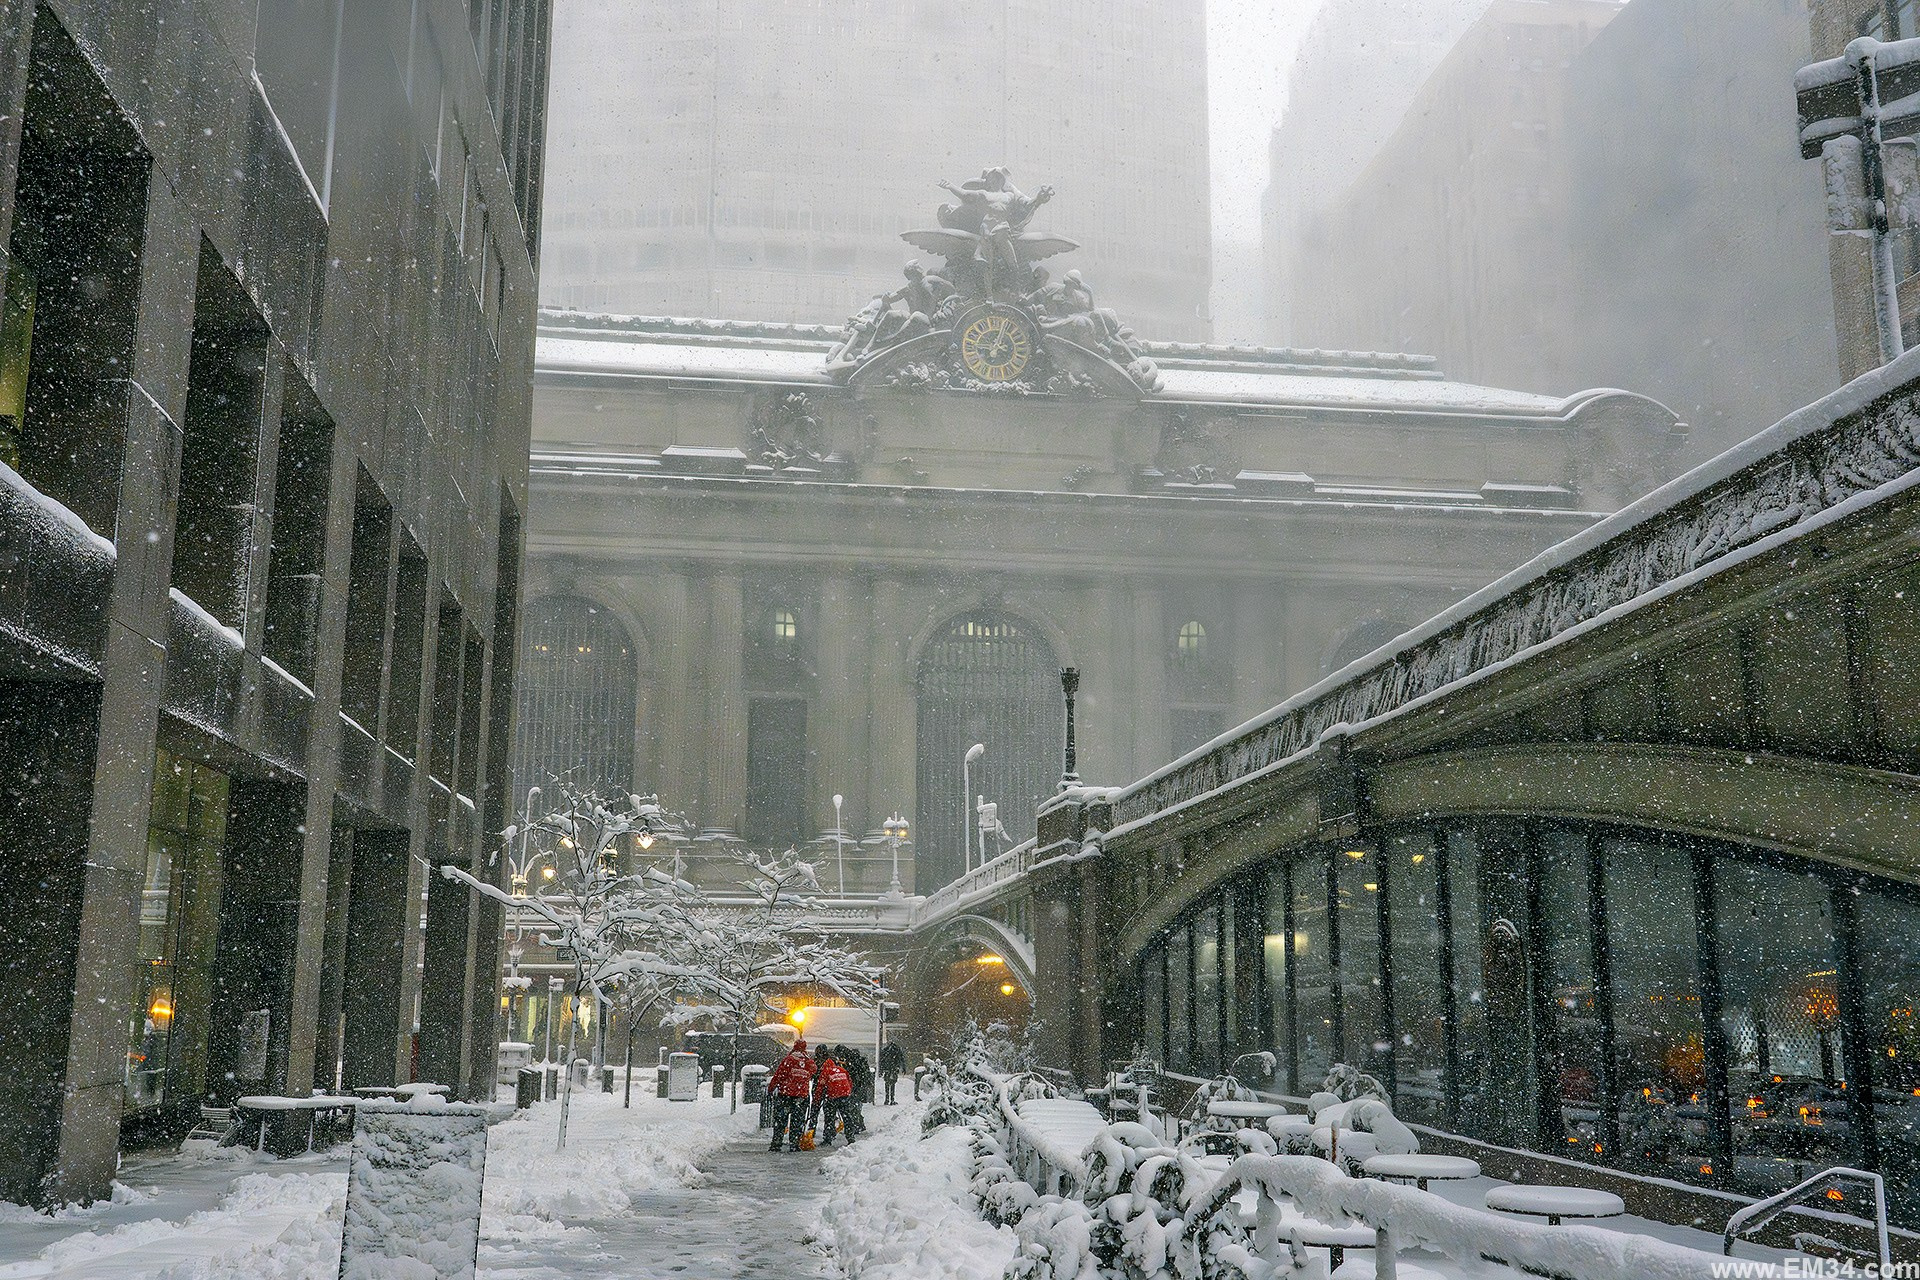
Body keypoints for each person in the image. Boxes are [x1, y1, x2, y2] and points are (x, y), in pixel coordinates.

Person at [767, 1038, 815, 1153]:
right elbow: (813, 1071)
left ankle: (776, 1144)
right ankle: (794, 1144)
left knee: (780, 1120)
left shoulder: (789, 1059)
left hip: (786, 1094)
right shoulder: (809, 1062)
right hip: (801, 1096)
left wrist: (771, 1088)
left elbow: (779, 1075)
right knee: (797, 1121)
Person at [816, 1048, 854, 1147]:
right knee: (847, 1117)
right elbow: (849, 1083)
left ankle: (828, 1139)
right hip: (844, 1096)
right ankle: (850, 1137)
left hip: (832, 1096)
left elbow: (820, 1087)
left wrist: (817, 1100)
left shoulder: (826, 1071)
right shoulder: (842, 1070)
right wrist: (847, 1093)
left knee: (829, 1118)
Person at [878, 1040, 906, 1106]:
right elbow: (902, 1059)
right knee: (893, 1084)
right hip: (894, 1068)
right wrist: (903, 1068)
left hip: (887, 1068)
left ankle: (887, 1099)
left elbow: (881, 1060)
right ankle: (892, 1099)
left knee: (887, 1083)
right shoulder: (897, 1050)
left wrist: (881, 1070)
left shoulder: (886, 1050)